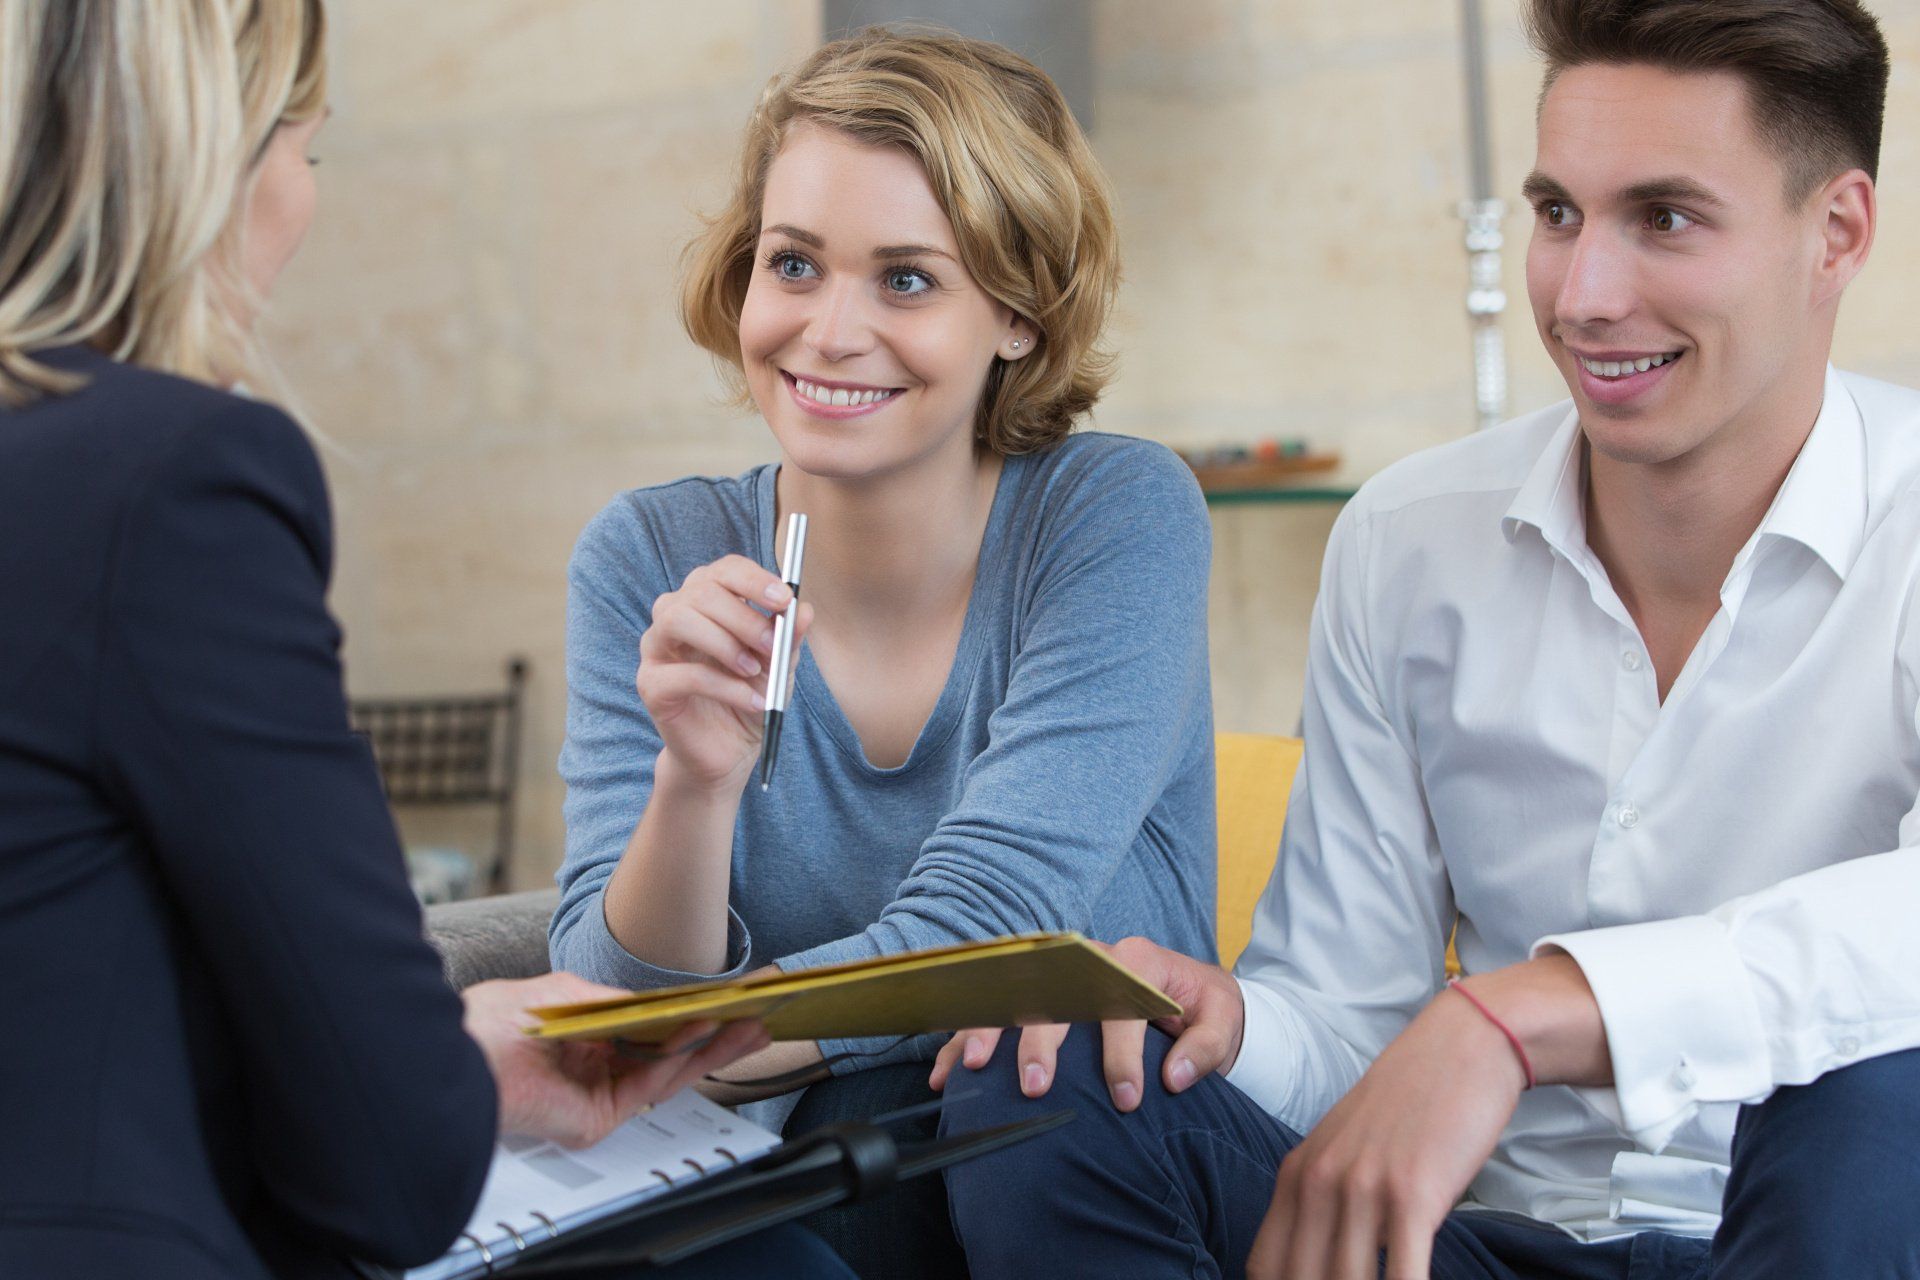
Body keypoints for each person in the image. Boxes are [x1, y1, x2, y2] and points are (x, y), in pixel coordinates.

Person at [935, 1, 1920, 1277]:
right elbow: (1351, 1015)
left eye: (1664, 219)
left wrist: (1522, 1017)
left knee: (1876, 1083)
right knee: (1053, 1072)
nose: (1583, 293)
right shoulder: (1407, 539)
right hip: (1483, 1241)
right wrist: (1235, 1023)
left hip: (1835, 1227)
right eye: (1558, 213)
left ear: (1835, 232)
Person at [0, 3, 851, 1278]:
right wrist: (434, 1073)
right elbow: (389, 1168)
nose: (305, 198)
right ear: (209, 154)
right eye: (308, 148)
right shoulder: (167, 479)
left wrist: (445, 1059)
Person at [547, 25, 1216, 1278]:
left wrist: (690, 1047)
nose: (828, 330)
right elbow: (604, 988)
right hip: (789, 1158)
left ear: (1017, 313)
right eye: (793, 263)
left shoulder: (1114, 514)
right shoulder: (648, 550)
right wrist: (692, 785)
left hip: (1078, 1137)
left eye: (905, 279)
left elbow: (998, 919)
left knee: (892, 1129)